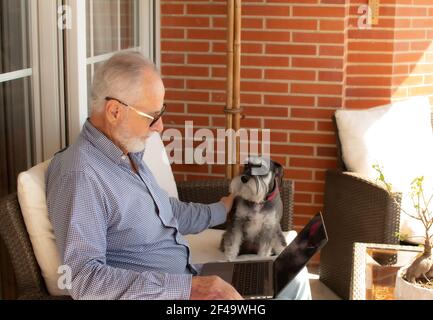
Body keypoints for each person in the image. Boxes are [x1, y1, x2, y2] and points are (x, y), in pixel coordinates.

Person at [46, 52, 311, 300]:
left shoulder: (126, 153)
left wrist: (221, 209)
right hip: (177, 292)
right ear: (115, 111)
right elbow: (83, 279)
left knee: (292, 277)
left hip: (189, 277)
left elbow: (166, 211)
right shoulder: (81, 175)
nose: (160, 127)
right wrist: (188, 288)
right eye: (153, 116)